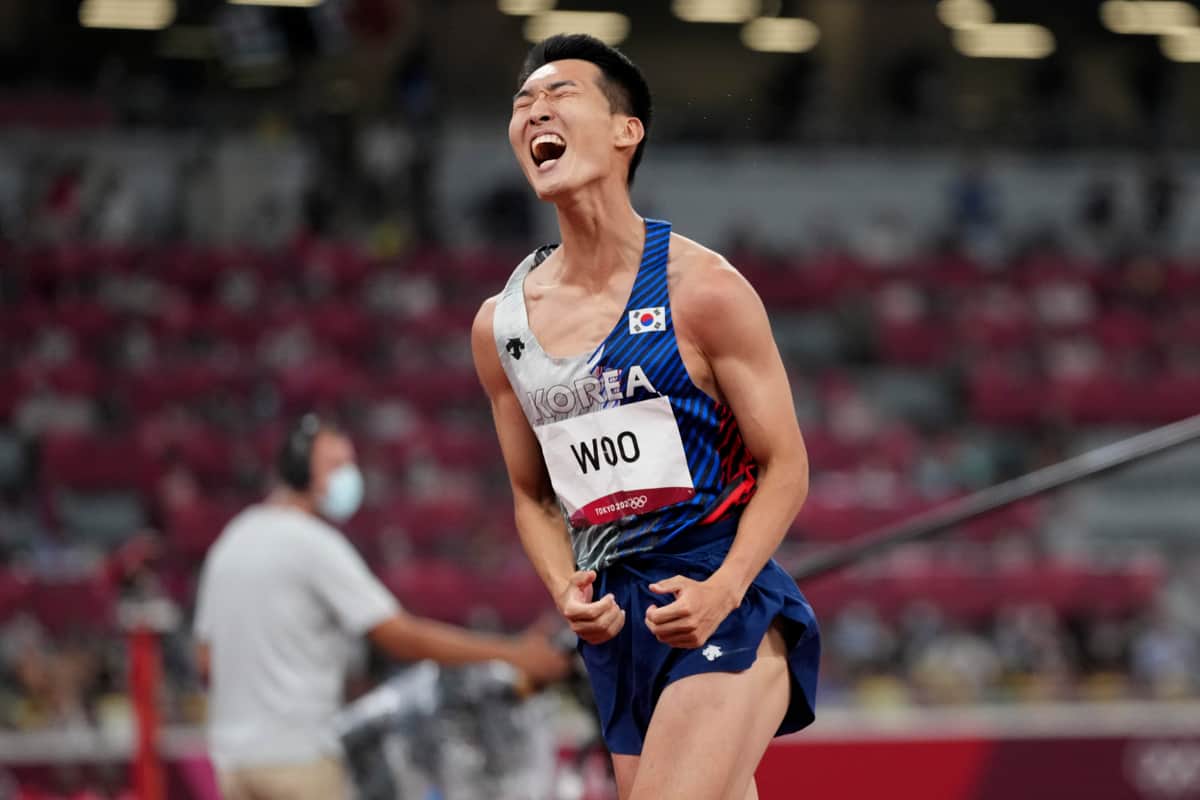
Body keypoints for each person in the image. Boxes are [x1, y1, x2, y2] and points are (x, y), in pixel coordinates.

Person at [471, 33, 820, 800]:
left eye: (558, 94)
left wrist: (725, 589)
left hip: (720, 603)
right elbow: (531, 497)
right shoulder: (502, 329)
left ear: (626, 131)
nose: (534, 112)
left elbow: (786, 465)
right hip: (621, 632)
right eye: (522, 103)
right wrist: (566, 587)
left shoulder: (705, 291)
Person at [194, 414, 570, 800]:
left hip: (234, 763)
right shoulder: (313, 543)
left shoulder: (233, 539)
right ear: (298, 471)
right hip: (300, 760)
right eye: (336, 465)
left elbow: (206, 659)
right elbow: (399, 636)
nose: (349, 477)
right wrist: (513, 654)